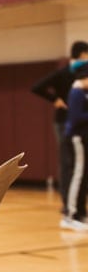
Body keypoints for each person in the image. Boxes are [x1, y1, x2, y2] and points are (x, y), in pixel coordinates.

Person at [31, 40, 88, 218]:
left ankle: (78, 206)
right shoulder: (64, 73)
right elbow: (37, 87)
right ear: (80, 55)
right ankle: (68, 205)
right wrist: (55, 99)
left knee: (80, 166)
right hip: (65, 122)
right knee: (67, 163)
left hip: (79, 125)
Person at [62, 68, 88, 232]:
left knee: (83, 176)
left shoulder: (82, 91)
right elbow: (76, 117)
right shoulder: (76, 91)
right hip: (77, 138)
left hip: (83, 138)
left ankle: (81, 213)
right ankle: (70, 215)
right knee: (78, 175)